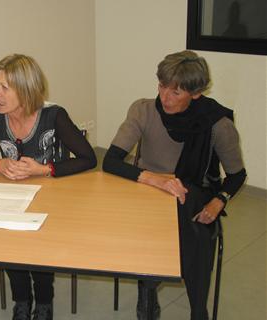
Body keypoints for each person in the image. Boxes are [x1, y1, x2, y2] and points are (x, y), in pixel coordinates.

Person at [102, 50, 247, 320]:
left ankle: (197, 307)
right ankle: (149, 285)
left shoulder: (218, 124)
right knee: (161, 224)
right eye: (161, 86)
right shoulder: (143, 109)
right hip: (146, 188)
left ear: (196, 93)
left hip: (194, 190)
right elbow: (110, 162)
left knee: (194, 220)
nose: (164, 98)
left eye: (175, 92)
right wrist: (156, 180)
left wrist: (219, 201)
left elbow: (237, 175)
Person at [0, 54, 97, 320]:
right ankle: (22, 301)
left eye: (4, 87)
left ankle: (44, 303)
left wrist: (45, 169)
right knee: (9, 241)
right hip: (12, 196)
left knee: (39, 245)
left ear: (25, 89)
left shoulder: (54, 116)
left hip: (53, 197)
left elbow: (89, 159)